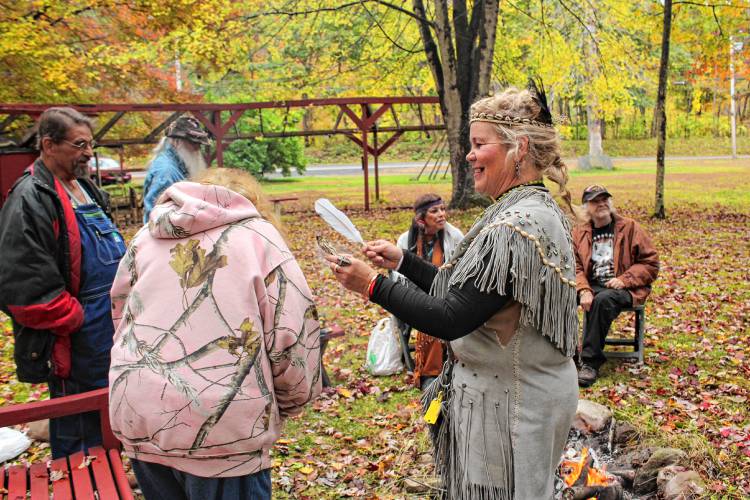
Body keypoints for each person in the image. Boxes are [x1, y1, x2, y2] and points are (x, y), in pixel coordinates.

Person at [325, 84, 579, 498]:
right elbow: (469, 291)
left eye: (480, 144)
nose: (470, 154)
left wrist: (370, 284)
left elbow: (451, 317)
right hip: (512, 395)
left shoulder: (517, 225)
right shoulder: (525, 209)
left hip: (515, 408)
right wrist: (404, 262)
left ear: (520, 147)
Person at [109, 168, 321, 500]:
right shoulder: (258, 239)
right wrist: (291, 400)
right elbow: (292, 336)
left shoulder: (144, 238)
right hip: (223, 425)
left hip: (140, 412)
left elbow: (121, 317)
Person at [0, 107, 126, 458]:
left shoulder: (84, 187)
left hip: (110, 323)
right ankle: (77, 478)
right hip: (79, 332)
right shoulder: (30, 198)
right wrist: (76, 320)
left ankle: (109, 471)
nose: (89, 153)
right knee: (77, 414)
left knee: (107, 407)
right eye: (80, 144)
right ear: (49, 145)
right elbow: (21, 284)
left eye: (91, 144)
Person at [573, 184, 659, 387]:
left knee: (602, 300)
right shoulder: (579, 233)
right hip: (591, 285)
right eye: (595, 200)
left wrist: (625, 279)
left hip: (625, 288)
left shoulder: (630, 228)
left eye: (605, 199)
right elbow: (574, 266)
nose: (602, 203)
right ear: (586, 207)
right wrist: (583, 289)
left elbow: (651, 263)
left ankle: (590, 363)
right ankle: (564, 353)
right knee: (559, 296)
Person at [393, 194, 463, 390]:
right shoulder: (405, 241)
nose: (442, 214)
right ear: (421, 219)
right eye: (435, 211)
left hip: (448, 294)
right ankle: (430, 374)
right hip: (414, 296)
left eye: (442, 209)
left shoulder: (454, 236)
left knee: (436, 308)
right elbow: (398, 277)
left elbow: (464, 269)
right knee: (428, 310)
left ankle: (441, 368)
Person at [142, 115, 210, 222]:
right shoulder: (166, 172)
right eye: (192, 143)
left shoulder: (180, 164)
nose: (197, 148)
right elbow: (157, 219)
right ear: (176, 142)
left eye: (199, 143)